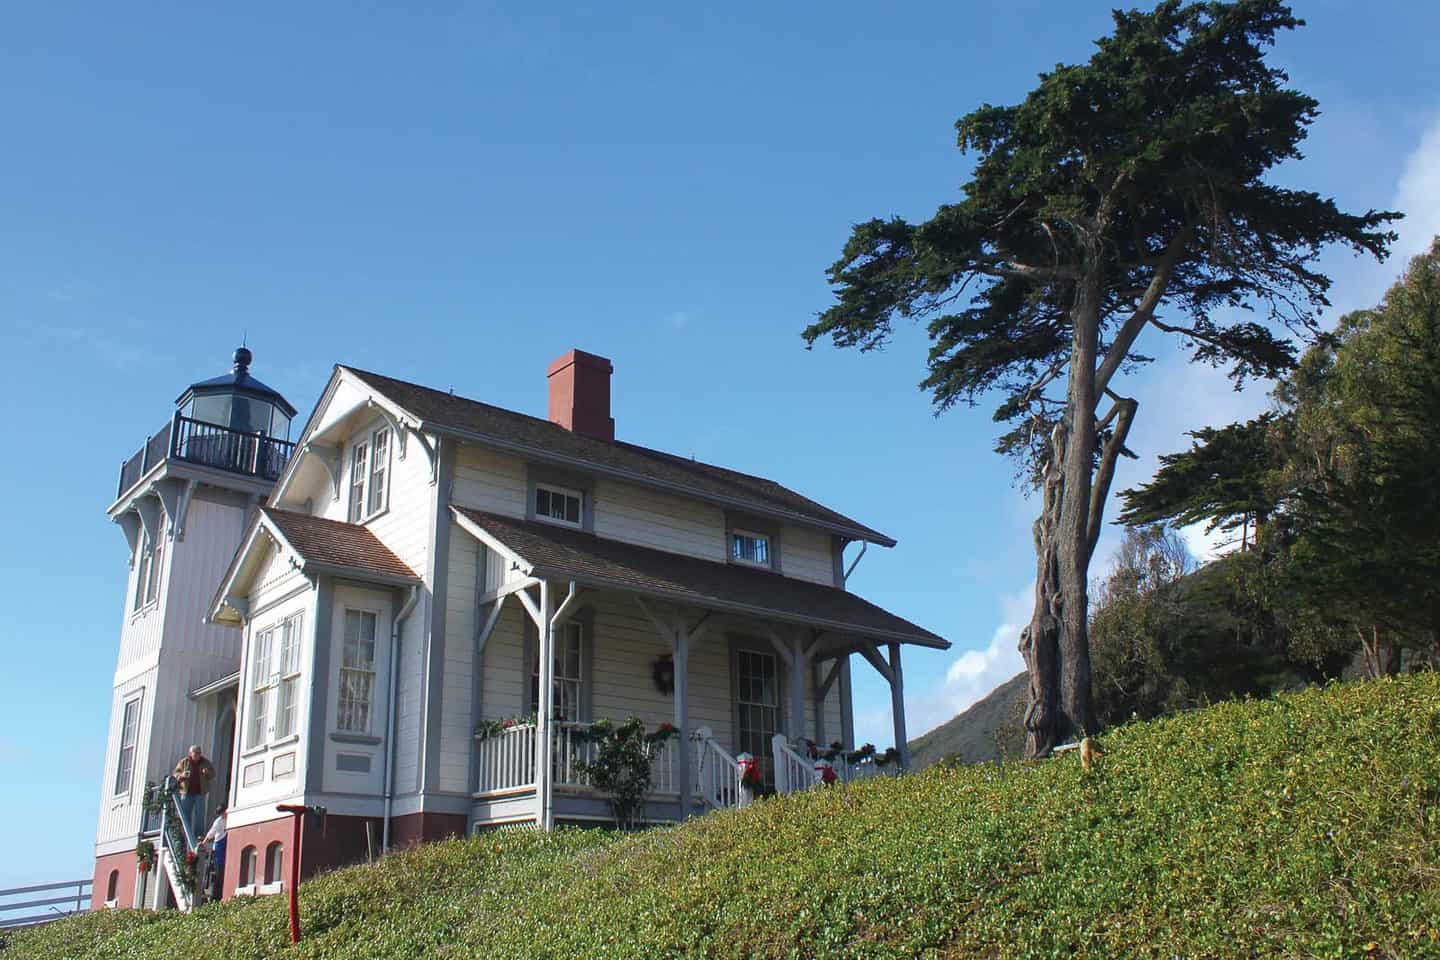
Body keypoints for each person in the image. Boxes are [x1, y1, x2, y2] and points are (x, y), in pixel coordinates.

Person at [172, 745, 214, 848]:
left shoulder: (205, 762)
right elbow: (175, 774)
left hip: (200, 793)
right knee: (185, 815)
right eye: (195, 753)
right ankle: (184, 836)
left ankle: (198, 837)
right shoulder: (184, 762)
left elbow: (213, 774)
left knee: (200, 815)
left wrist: (207, 773)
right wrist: (182, 775)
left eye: (199, 752)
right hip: (186, 793)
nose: (197, 755)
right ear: (190, 753)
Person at [202, 805, 228, 902]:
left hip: (226, 841)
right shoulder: (218, 822)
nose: (223, 815)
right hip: (219, 844)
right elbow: (211, 833)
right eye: (222, 814)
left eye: (223, 813)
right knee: (219, 869)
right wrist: (204, 842)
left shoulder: (230, 817)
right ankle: (215, 895)